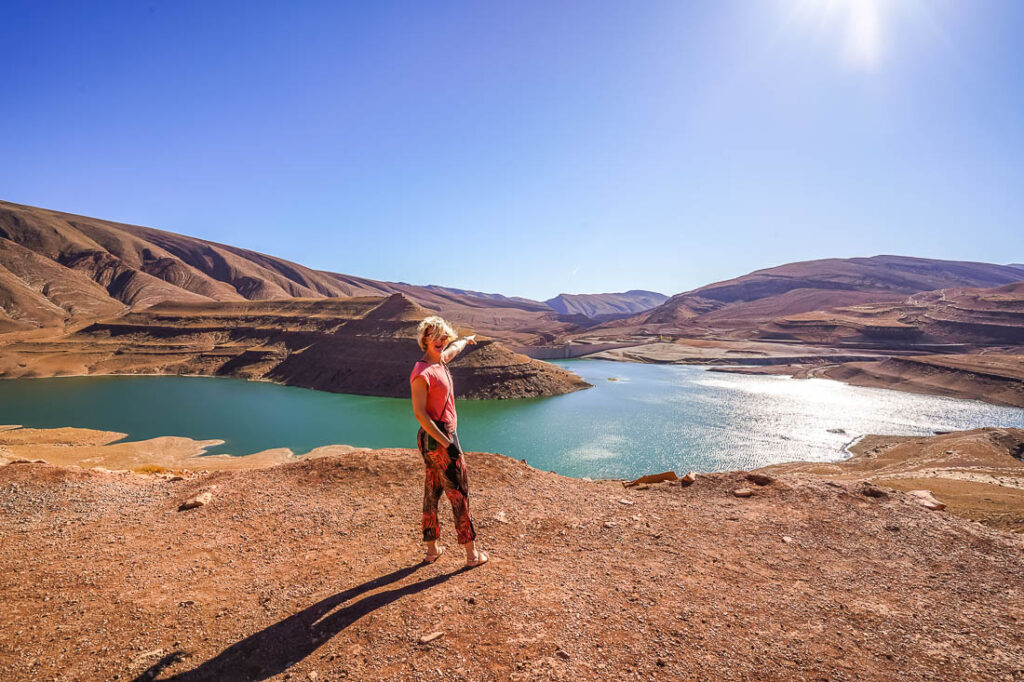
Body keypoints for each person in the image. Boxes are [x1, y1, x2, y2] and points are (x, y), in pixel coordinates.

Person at [409, 316, 488, 568]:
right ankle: (471, 555)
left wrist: (466, 340)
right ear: (425, 340)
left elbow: (455, 349)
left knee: (432, 491)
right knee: (459, 493)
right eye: (435, 337)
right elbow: (420, 414)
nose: (441, 341)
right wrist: (447, 443)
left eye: (444, 336)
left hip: (433, 438)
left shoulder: (441, 360)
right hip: (438, 435)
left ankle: (432, 550)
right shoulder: (421, 373)